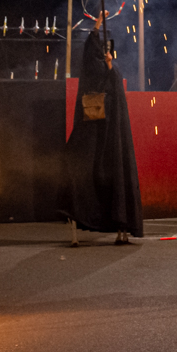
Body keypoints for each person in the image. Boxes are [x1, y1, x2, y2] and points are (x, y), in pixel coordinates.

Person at [59, 13, 143, 245]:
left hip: (109, 136)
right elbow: (90, 49)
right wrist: (96, 24)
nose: (104, 54)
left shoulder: (112, 73)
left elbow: (115, 95)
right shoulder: (91, 73)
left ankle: (120, 228)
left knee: (112, 175)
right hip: (94, 134)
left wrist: (108, 64)